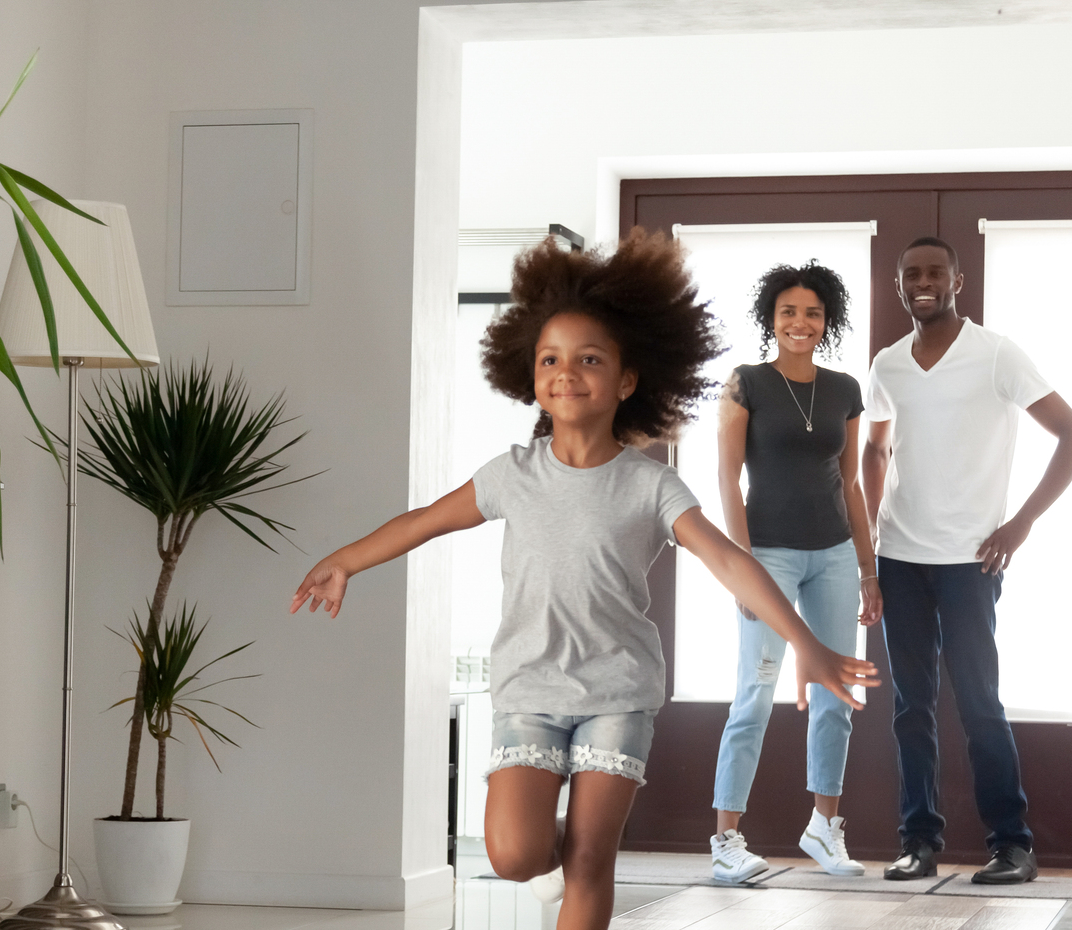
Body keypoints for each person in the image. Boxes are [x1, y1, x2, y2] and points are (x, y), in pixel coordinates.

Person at [290, 231, 880, 930]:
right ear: (530, 373)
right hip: (529, 690)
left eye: (589, 359)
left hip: (618, 690)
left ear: (627, 381)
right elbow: (424, 521)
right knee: (513, 855)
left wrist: (805, 644)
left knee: (593, 861)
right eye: (551, 359)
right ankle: (552, 855)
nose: (567, 372)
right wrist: (345, 560)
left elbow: (729, 560)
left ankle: (579, 856)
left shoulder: (650, 485)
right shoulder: (512, 473)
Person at [861, 236, 1072, 886]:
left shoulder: (996, 355)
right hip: (899, 558)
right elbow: (875, 452)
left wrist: (1020, 524)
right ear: (899, 285)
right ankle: (918, 841)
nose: (923, 282)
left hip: (970, 562)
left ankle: (1012, 844)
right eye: (912, 274)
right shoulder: (889, 364)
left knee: (978, 701)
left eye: (935, 272)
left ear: (958, 279)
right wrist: (870, 547)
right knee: (910, 708)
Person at [707, 262, 881, 882]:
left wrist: (868, 569)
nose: (799, 322)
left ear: (825, 321)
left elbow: (853, 483)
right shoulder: (746, 382)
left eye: (811, 312)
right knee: (756, 690)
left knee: (838, 690)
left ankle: (823, 827)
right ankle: (726, 839)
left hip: (834, 553)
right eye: (788, 312)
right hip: (769, 556)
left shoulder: (844, 389)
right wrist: (741, 567)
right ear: (771, 320)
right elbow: (728, 477)